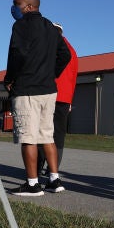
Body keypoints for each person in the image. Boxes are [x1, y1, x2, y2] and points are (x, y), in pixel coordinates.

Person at [4, 0, 71, 196]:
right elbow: (65, 54)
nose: (14, 8)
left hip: (27, 89)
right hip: (48, 89)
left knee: (28, 137)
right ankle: (54, 179)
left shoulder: (20, 25)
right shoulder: (50, 28)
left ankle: (32, 184)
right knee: (46, 136)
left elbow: (17, 54)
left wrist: (10, 79)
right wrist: (51, 73)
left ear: (30, 6)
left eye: (17, 4)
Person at [36, 22, 78, 179]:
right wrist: (70, 101)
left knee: (42, 132)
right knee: (59, 135)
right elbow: (73, 78)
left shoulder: (49, 47)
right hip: (65, 97)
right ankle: (53, 169)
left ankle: (37, 167)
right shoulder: (72, 51)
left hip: (48, 94)